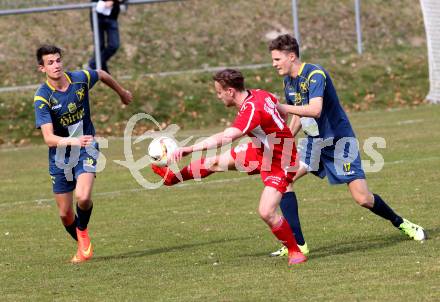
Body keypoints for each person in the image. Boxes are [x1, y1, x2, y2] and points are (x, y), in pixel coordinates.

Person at [268, 34, 427, 257]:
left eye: (277, 59)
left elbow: (314, 110)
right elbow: (298, 115)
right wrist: (284, 140)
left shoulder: (315, 74)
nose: (274, 64)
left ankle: (402, 223)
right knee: (284, 180)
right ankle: (297, 244)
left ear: (291, 56)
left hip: (339, 142)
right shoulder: (289, 81)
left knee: (363, 198)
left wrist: (282, 108)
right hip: (315, 143)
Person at [152, 69, 307, 266]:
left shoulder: (250, 110)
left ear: (230, 91)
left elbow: (225, 138)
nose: (218, 96)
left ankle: (295, 251)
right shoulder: (260, 93)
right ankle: (171, 178)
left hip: (282, 160)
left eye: (219, 92)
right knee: (212, 162)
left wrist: (189, 148)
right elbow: (280, 109)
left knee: (266, 211)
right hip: (261, 151)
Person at [33, 44, 132, 263]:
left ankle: (83, 232)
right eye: (50, 62)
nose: (56, 65)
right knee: (64, 214)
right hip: (60, 157)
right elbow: (49, 138)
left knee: (84, 196)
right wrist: (73, 140)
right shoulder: (42, 98)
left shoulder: (79, 78)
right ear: (42, 68)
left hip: (86, 147)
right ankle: (81, 242)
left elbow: (102, 74)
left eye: (58, 60)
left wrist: (122, 92)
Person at [88, 0, 126, 73]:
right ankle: (102, 72)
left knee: (114, 45)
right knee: (99, 45)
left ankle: (93, 64)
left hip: (112, 16)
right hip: (97, 15)